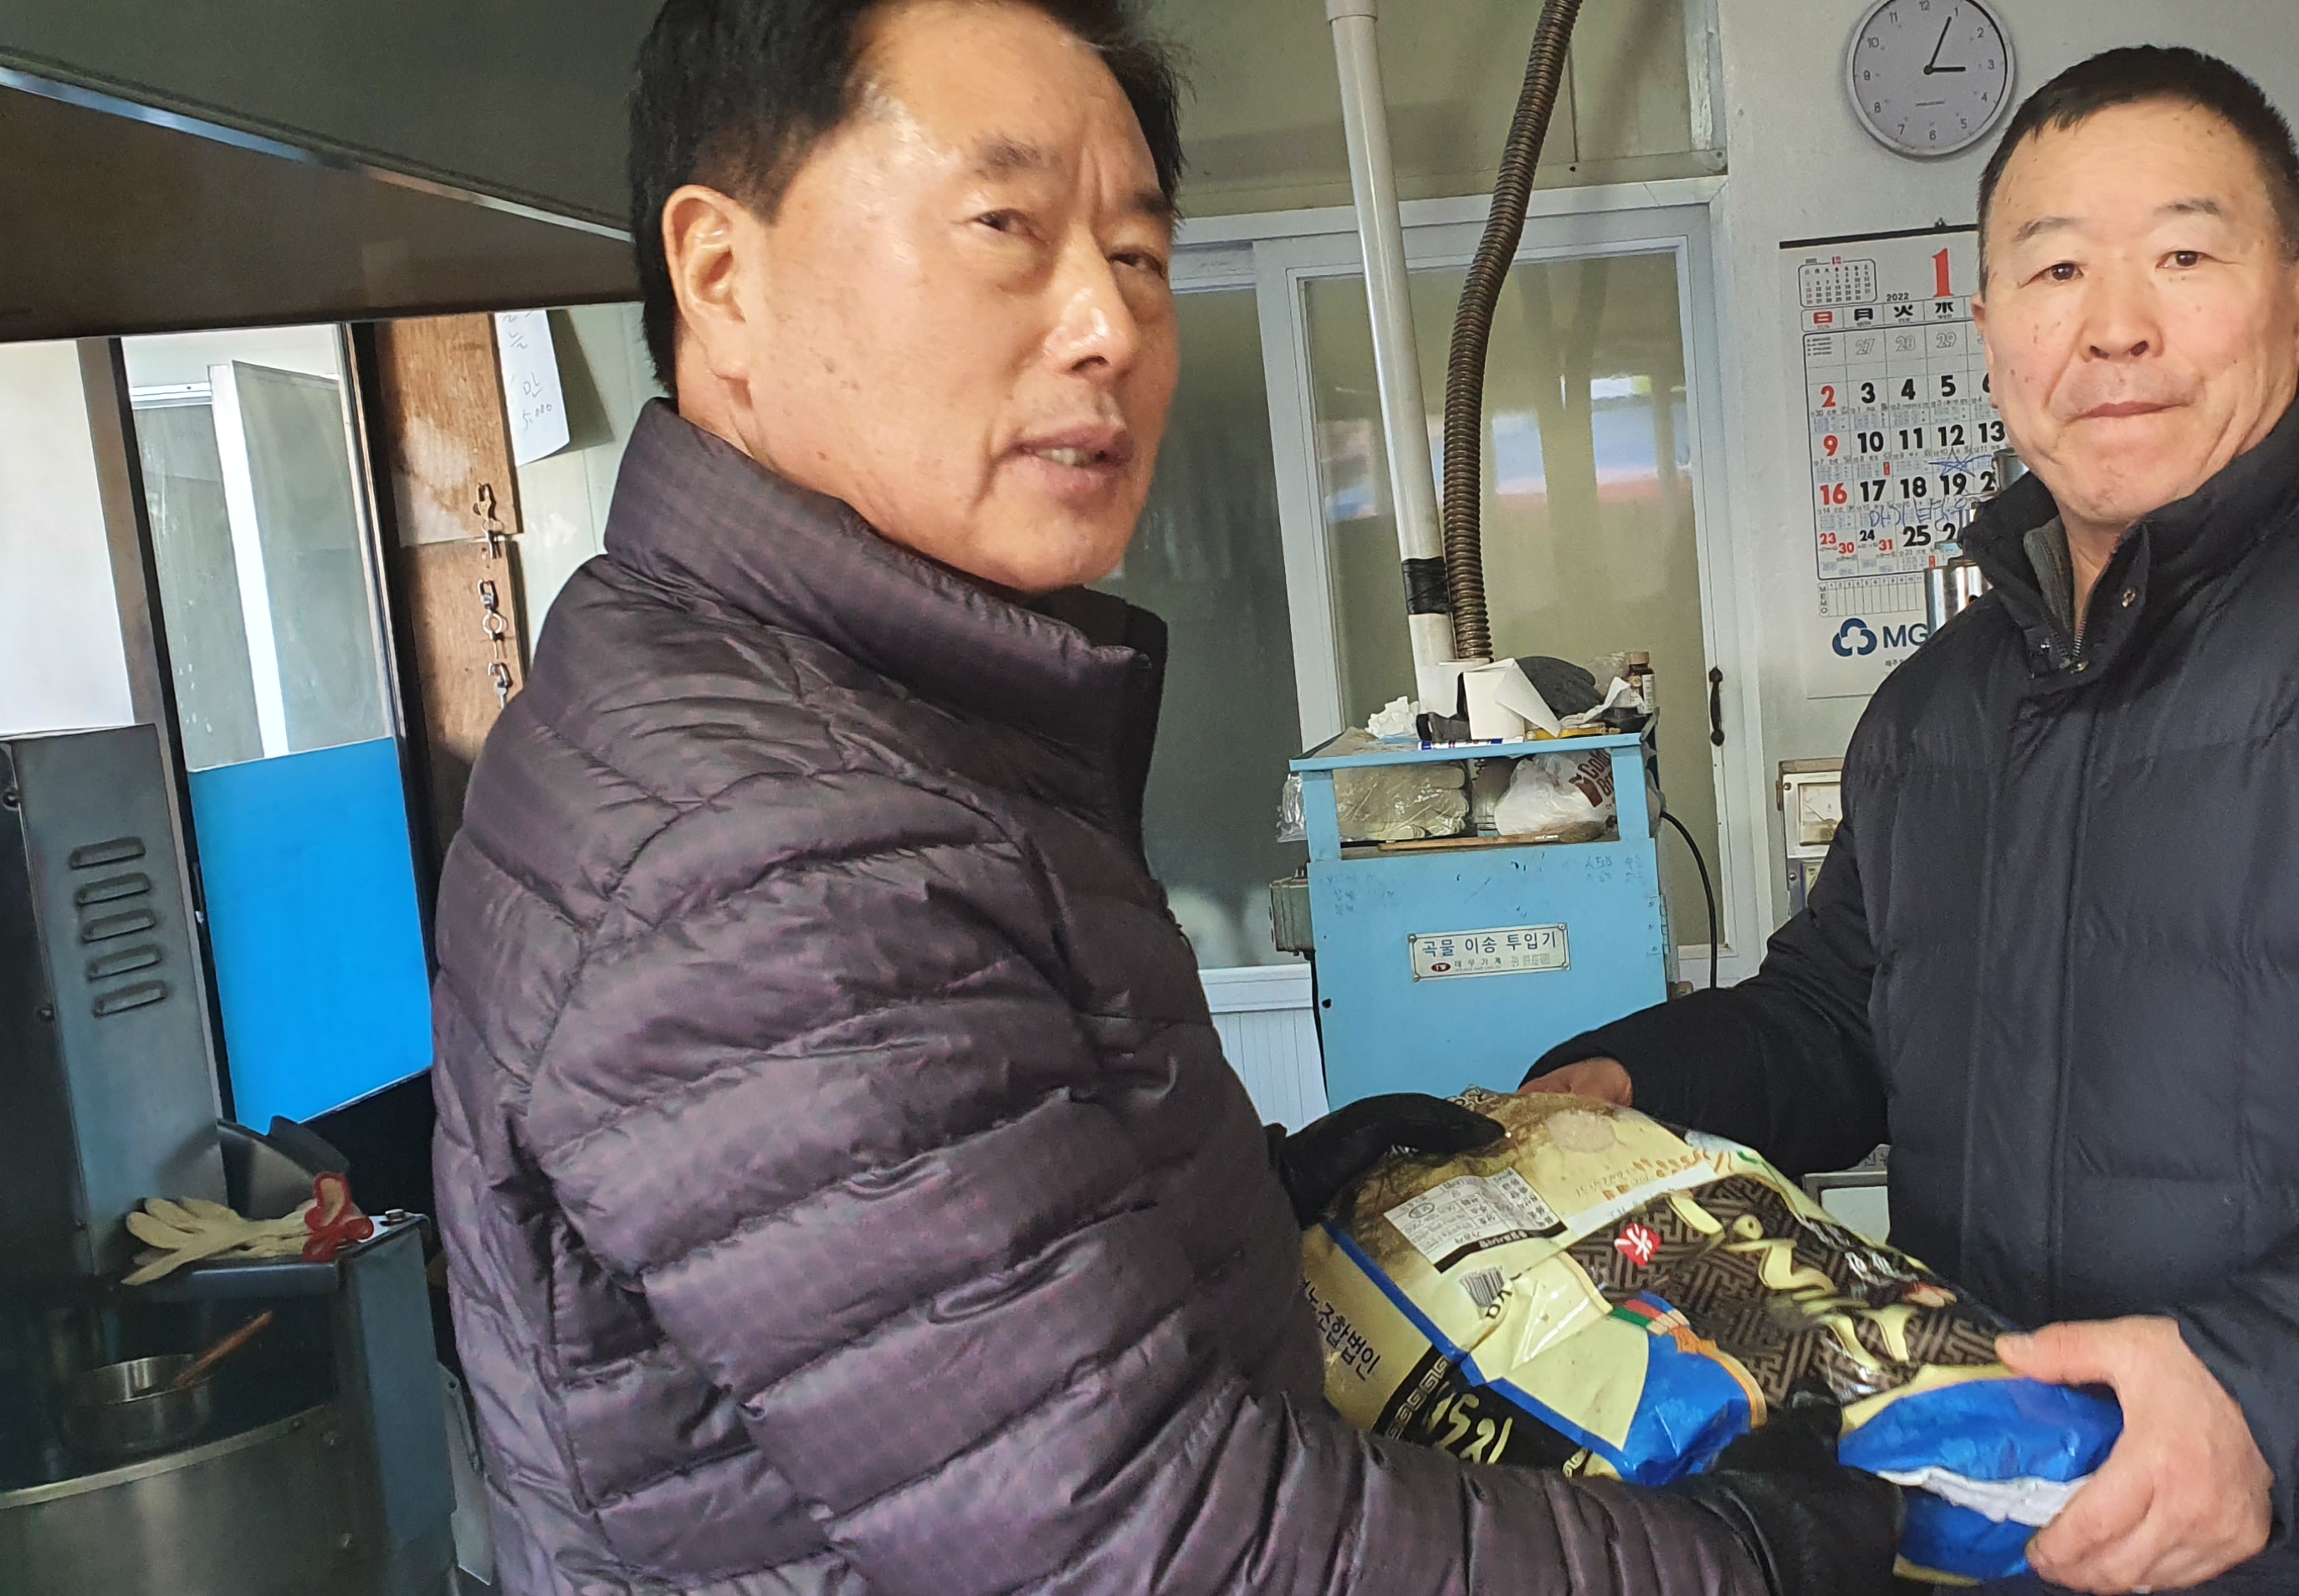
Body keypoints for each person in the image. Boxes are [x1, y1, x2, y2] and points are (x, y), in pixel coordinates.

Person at [426, 2, 1898, 1592]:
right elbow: (1151, 1541)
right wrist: (1735, 1562)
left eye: (1137, 256)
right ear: (723, 275)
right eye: (1004, 227)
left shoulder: (830, 713)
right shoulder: (765, 851)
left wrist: (1258, 1202)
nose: (1108, 328)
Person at [1527, 45, 2299, 1596]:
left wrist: (2264, 1390)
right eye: (2056, 270)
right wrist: (1631, 1083)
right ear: (1989, 330)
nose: (2114, 327)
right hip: (2002, 1527)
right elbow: (1842, 1015)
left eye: (2182, 256)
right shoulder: (1936, 710)